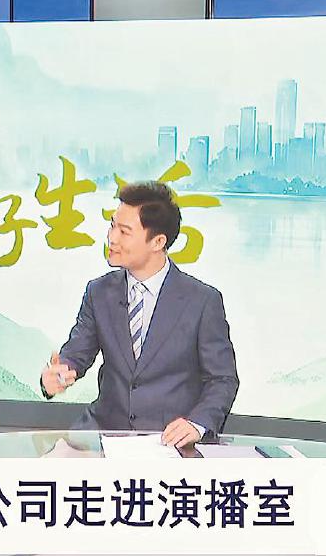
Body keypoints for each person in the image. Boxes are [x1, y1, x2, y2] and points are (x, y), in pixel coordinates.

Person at [40, 181, 238, 448]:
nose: (112, 238)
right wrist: (57, 376)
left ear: (158, 241)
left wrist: (196, 424)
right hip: (104, 433)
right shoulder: (99, 292)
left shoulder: (202, 301)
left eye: (124, 232)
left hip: (170, 441)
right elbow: (75, 355)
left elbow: (222, 380)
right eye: (112, 226)